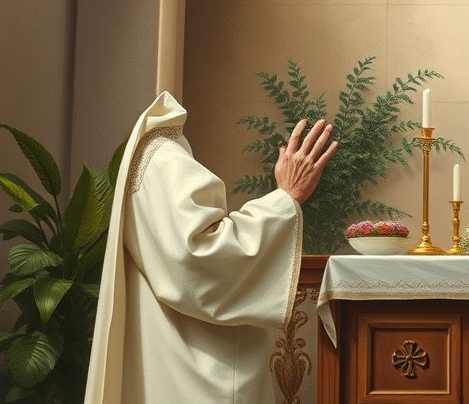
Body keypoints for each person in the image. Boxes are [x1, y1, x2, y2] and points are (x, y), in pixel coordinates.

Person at [85, 91, 337, 403]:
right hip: (194, 374)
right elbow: (201, 257)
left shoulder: (156, 157)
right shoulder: (163, 159)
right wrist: (286, 196)